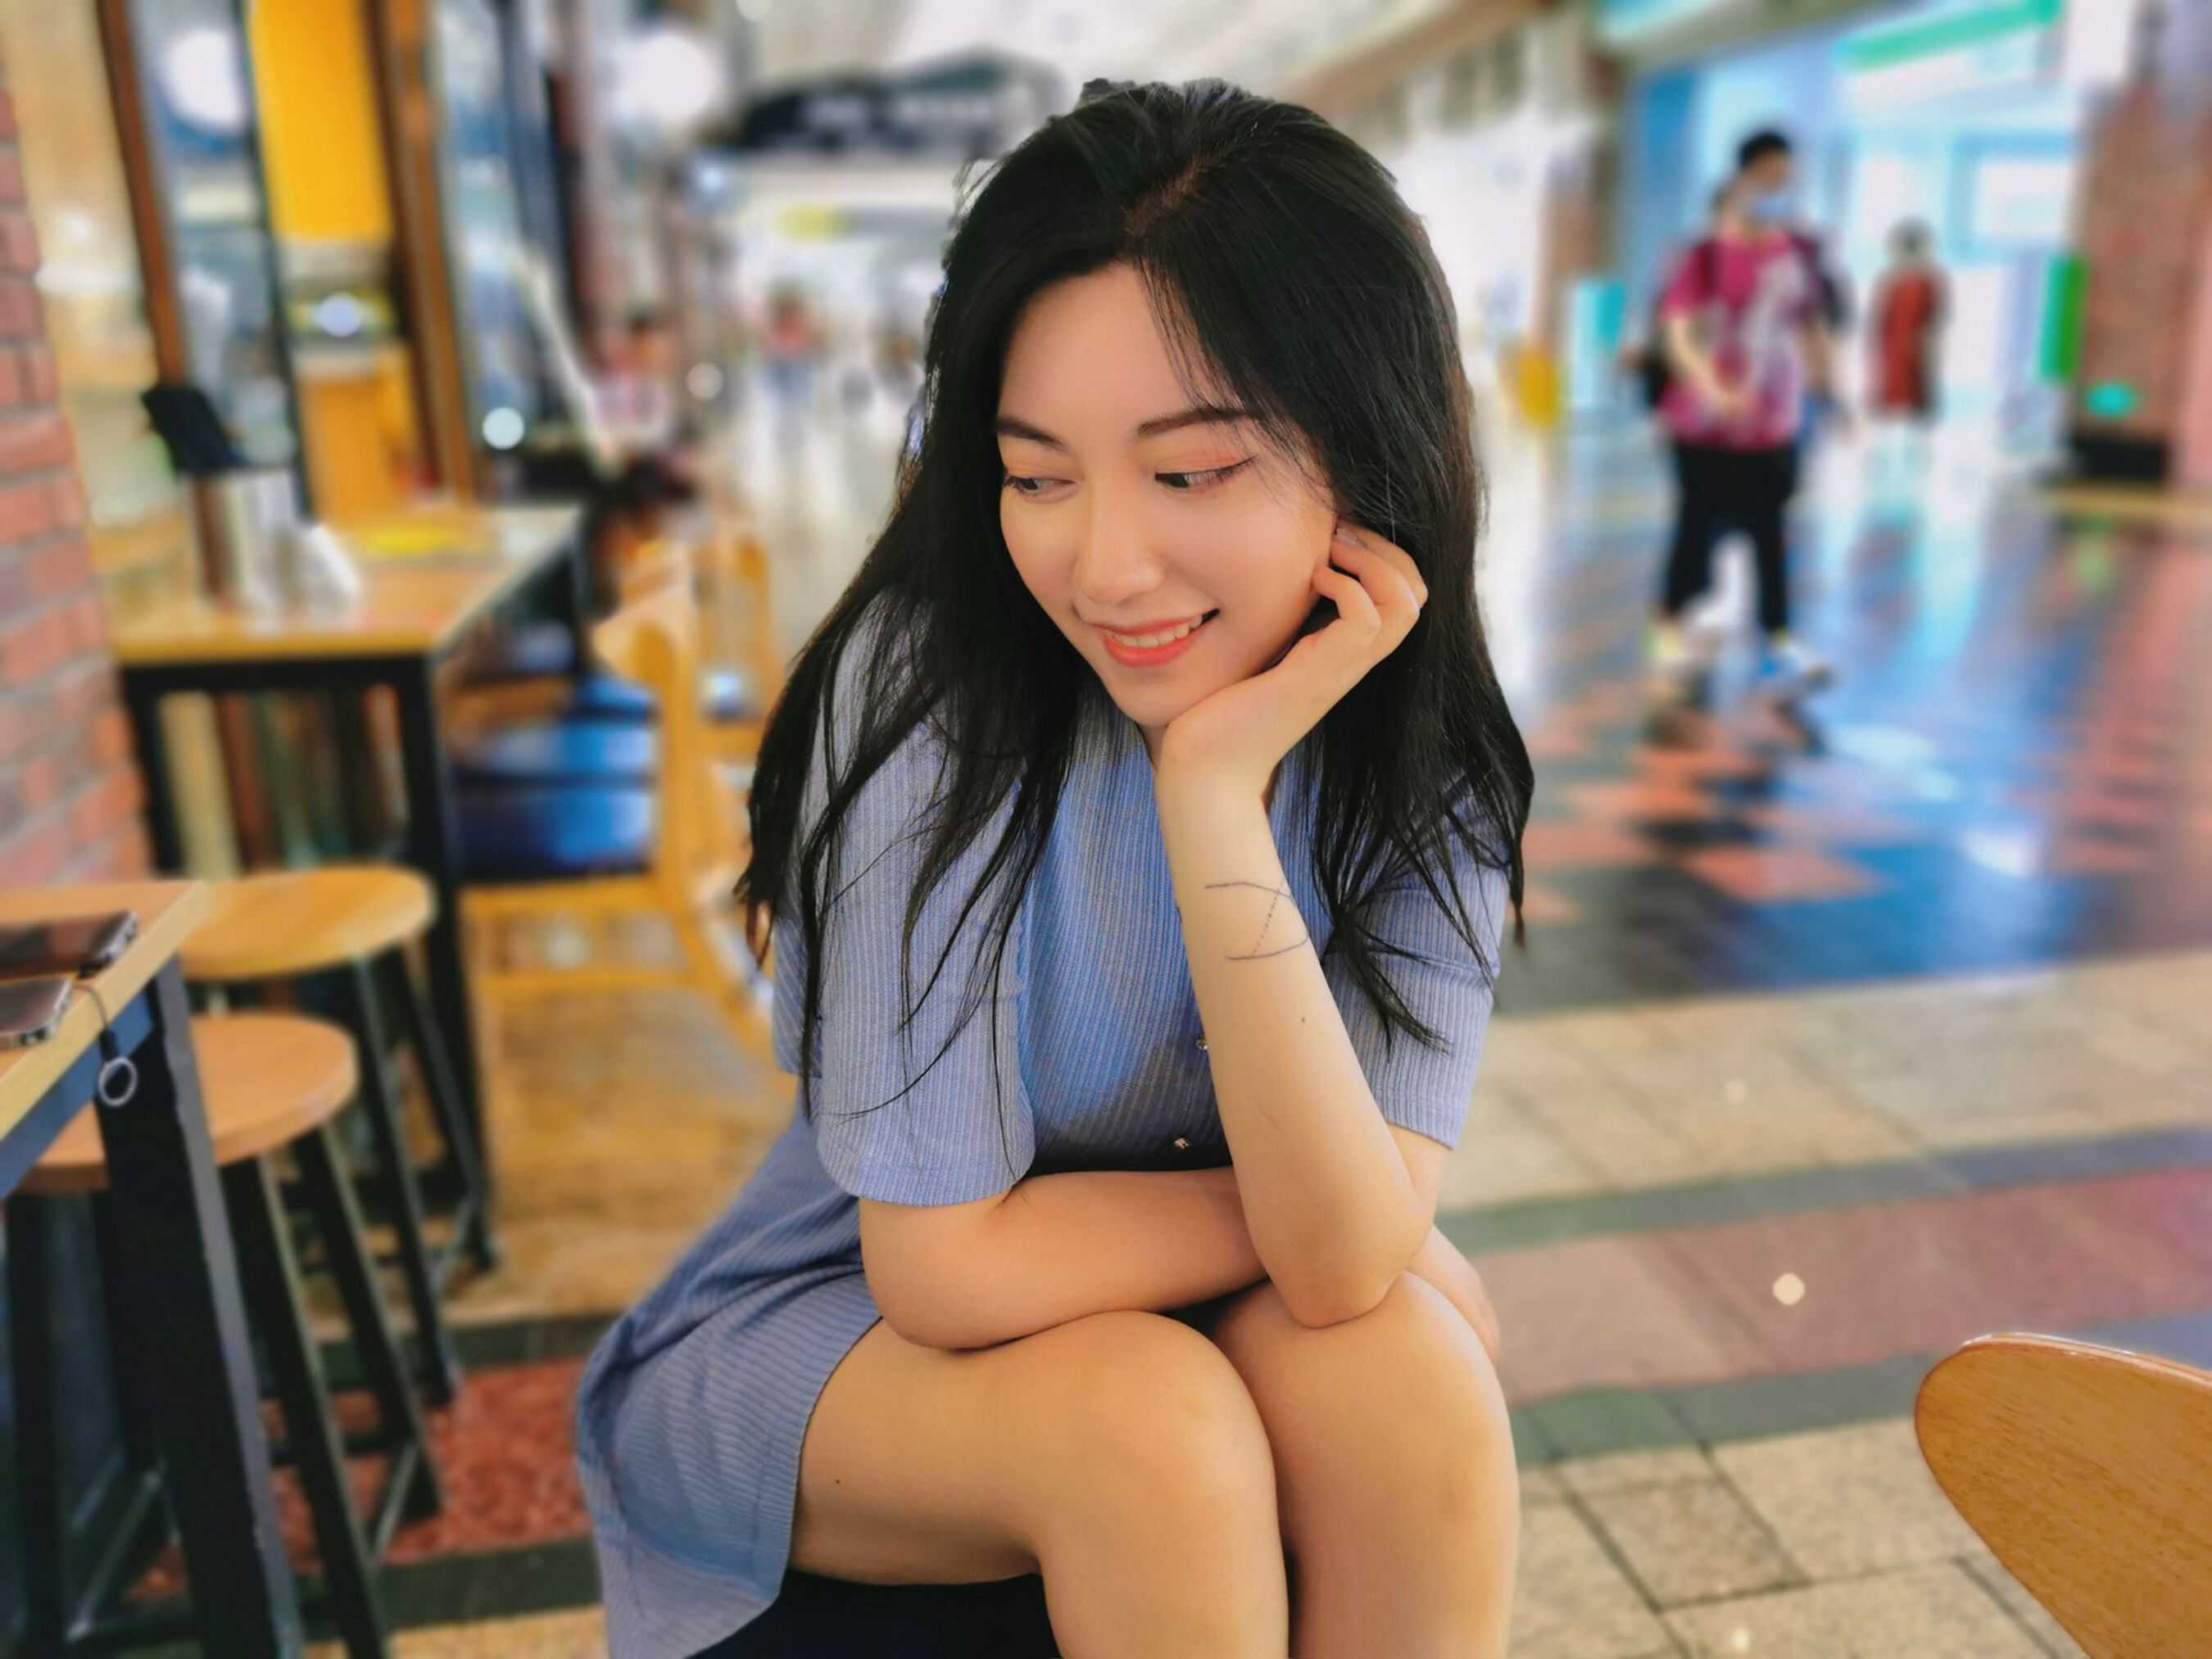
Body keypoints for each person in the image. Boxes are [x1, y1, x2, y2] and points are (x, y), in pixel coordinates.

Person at [576, 78, 1533, 1658]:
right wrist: (1345, 1217)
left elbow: (1346, 1273)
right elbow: (943, 1267)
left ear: (1369, 454)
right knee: (1154, 1435)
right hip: (826, 1322)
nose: (1105, 566)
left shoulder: (1428, 763)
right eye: (1038, 476)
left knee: (1408, 1384)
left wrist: (1212, 799)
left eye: (1192, 472)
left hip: (1140, 1290)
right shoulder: (927, 695)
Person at [1648, 128, 1843, 707]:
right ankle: (1669, 632)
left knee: (1771, 534)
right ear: (1741, 180)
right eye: (1768, 177)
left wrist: (1830, 392)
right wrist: (1711, 387)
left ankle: (1778, 642)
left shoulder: (1799, 256)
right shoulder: (1703, 256)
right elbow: (1678, 334)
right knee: (1695, 527)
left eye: (1786, 178)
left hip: (1773, 424)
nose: (1778, 188)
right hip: (1703, 427)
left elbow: (1812, 327)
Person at [1866, 220, 1946, 480]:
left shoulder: (1930, 281)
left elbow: (1937, 321)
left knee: (1919, 402)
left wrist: (1930, 350)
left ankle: (1918, 459)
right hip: (1892, 349)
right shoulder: (1889, 280)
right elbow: (1878, 322)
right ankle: (1885, 458)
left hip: (1918, 349)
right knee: (1888, 401)